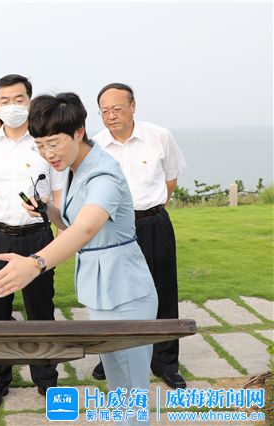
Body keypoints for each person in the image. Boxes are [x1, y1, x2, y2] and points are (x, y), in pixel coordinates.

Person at [0, 93, 159, 412]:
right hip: (102, 293)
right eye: (40, 146)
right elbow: (72, 221)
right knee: (119, 386)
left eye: (54, 143)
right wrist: (48, 210)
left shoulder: (104, 174)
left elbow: (85, 229)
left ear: (79, 132)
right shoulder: (74, 166)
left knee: (131, 392)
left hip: (125, 294)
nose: (48, 154)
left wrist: (35, 263)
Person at [0, 74, 62, 409]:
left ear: (30, 101)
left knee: (41, 312)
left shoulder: (46, 142)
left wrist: (58, 231)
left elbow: (58, 192)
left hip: (37, 237)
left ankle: (46, 379)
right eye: (4, 101)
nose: (11, 106)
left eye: (18, 99)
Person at [92, 83, 187, 389]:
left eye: (117, 109)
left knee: (162, 290)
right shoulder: (96, 146)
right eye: (104, 111)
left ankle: (165, 362)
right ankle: (113, 356)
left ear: (133, 106)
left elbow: (170, 178)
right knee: (113, 295)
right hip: (113, 228)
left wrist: (151, 209)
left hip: (152, 222)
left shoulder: (159, 136)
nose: (111, 116)